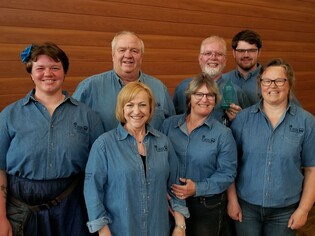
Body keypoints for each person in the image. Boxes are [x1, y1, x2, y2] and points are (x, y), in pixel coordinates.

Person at [0, 42, 104, 236]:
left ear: (64, 72)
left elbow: (101, 168)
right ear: (31, 73)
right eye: (40, 68)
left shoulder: (87, 116)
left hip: (72, 208)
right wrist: (0, 218)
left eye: (55, 68)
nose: (48, 74)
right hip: (22, 211)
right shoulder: (9, 116)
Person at [83, 81, 189, 236]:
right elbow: (92, 191)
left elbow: (175, 186)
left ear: (150, 108)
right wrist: (103, 231)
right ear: (122, 108)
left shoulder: (163, 142)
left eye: (142, 105)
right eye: (130, 105)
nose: (136, 111)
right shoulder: (104, 145)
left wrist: (180, 226)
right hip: (119, 229)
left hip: (158, 228)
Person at [227, 58, 315, 236]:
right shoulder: (243, 120)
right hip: (246, 208)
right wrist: (232, 201)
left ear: (289, 84)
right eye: (267, 81)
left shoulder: (307, 122)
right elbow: (229, 165)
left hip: (285, 211)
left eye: (279, 80)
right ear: (260, 85)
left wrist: (304, 210)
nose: (272, 86)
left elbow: (312, 169)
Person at [161, 73, 237, 235]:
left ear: (215, 101)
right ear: (189, 98)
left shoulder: (223, 134)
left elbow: (227, 173)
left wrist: (197, 188)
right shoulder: (168, 126)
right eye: (199, 94)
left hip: (205, 206)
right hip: (170, 203)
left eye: (210, 95)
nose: (205, 99)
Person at [73, 30, 175, 132]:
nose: (128, 55)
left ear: (141, 57)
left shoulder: (159, 88)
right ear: (113, 55)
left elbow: (172, 128)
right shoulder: (89, 87)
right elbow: (72, 127)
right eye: (122, 50)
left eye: (134, 51)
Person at [173, 35, 250, 125]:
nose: (213, 57)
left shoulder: (236, 92)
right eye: (208, 53)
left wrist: (241, 118)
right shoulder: (182, 88)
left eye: (219, 54)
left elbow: (248, 127)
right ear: (200, 59)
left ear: (225, 60)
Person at [222, 29, 262, 105]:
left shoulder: (271, 81)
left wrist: (242, 115)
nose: (246, 55)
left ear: (259, 52)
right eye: (241, 51)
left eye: (251, 50)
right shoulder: (223, 80)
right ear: (234, 53)